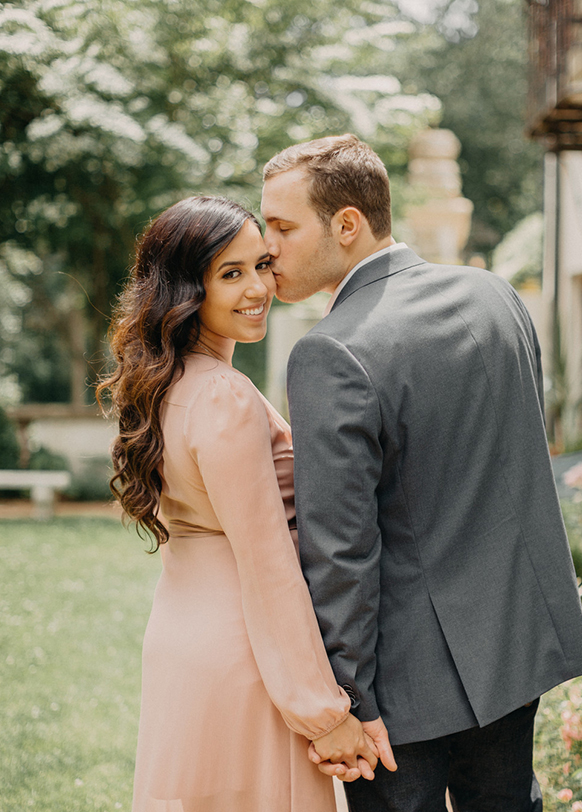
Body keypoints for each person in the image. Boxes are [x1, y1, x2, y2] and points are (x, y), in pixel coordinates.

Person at [260, 134, 582, 812]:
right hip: (514, 650)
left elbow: (341, 550)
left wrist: (349, 702)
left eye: (282, 227)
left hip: (402, 688)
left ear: (347, 224)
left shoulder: (329, 352)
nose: (267, 247)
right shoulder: (497, 299)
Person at [97, 195, 380, 812]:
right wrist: (323, 712)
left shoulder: (163, 384)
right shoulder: (224, 396)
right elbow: (267, 564)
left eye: (261, 265)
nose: (258, 288)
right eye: (231, 273)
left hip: (181, 637)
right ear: (184, 290)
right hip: (246, 654)